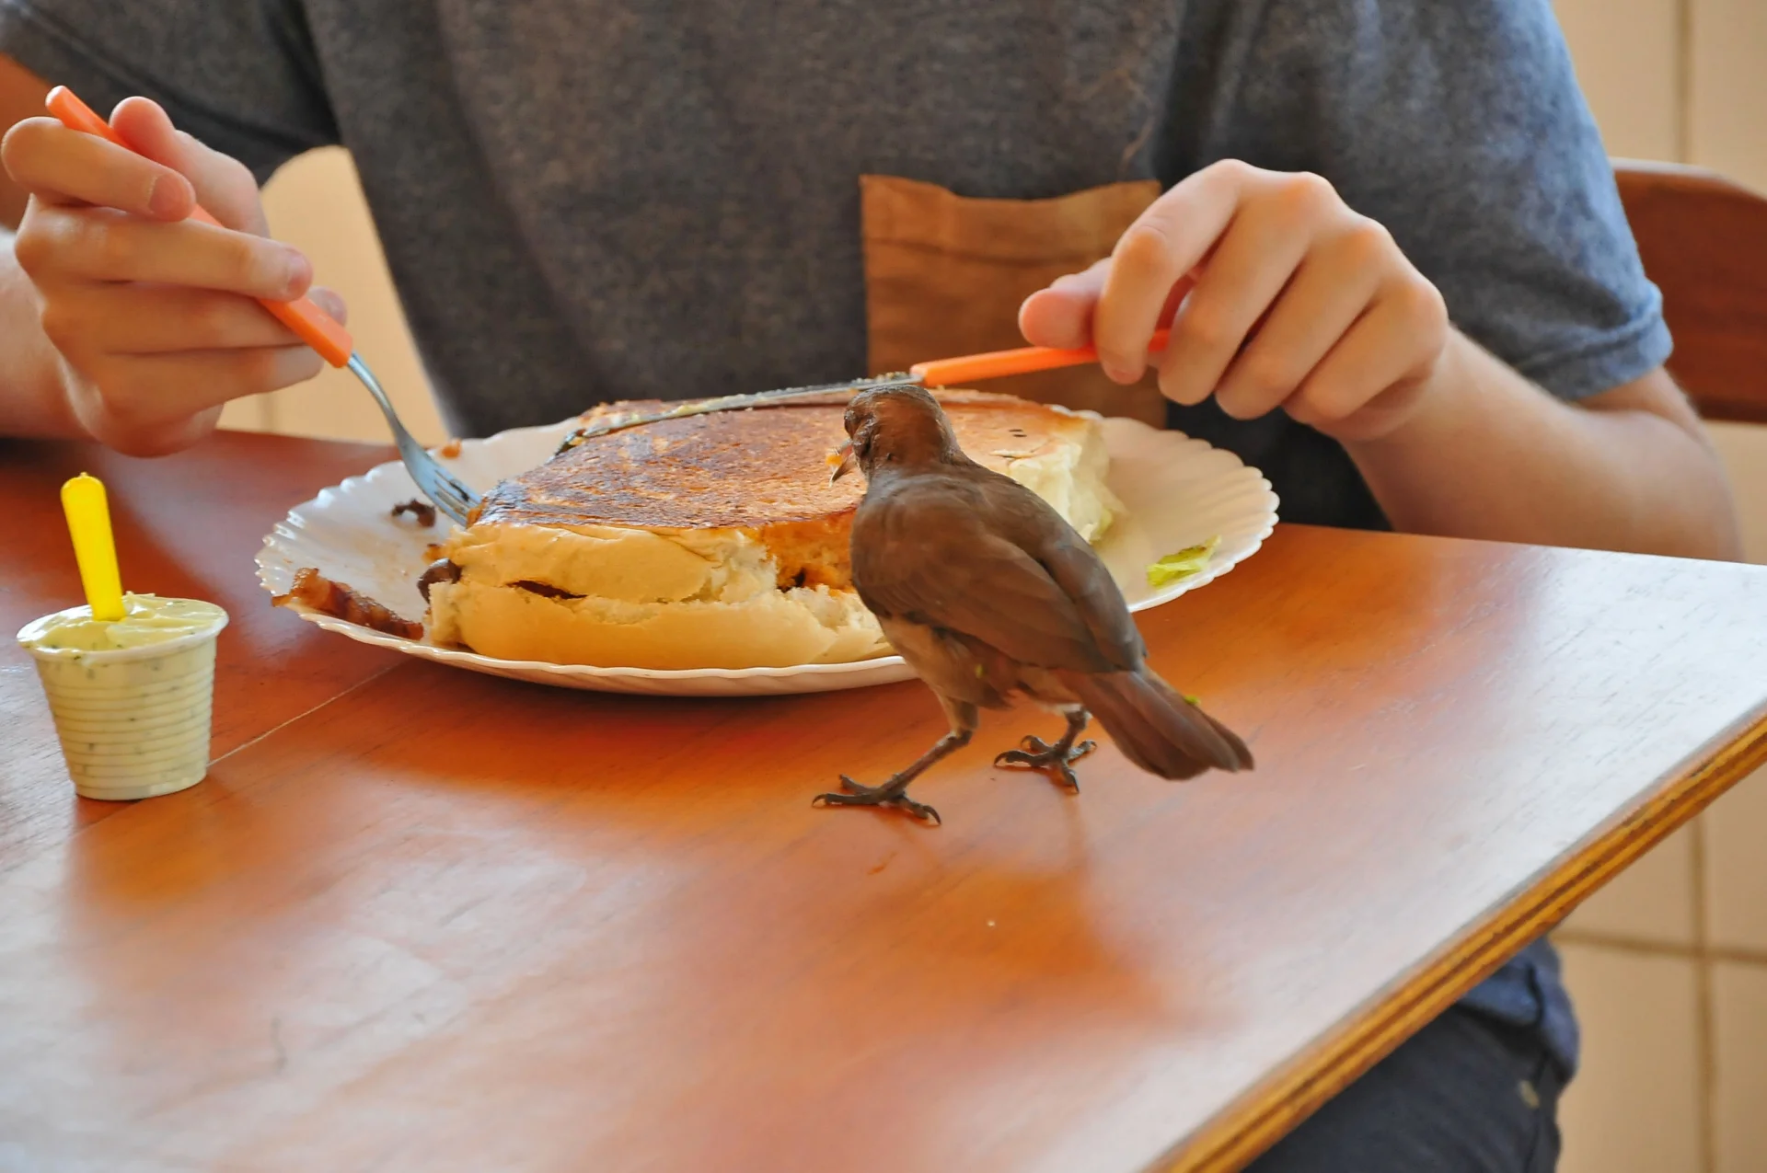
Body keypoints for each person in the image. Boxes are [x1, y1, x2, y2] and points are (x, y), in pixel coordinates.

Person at [0, 1, 1742, 1168]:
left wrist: (1408, 385)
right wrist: (79, 322)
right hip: (580, 922)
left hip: (1251, 941)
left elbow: (1677, 549)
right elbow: (41, 215)